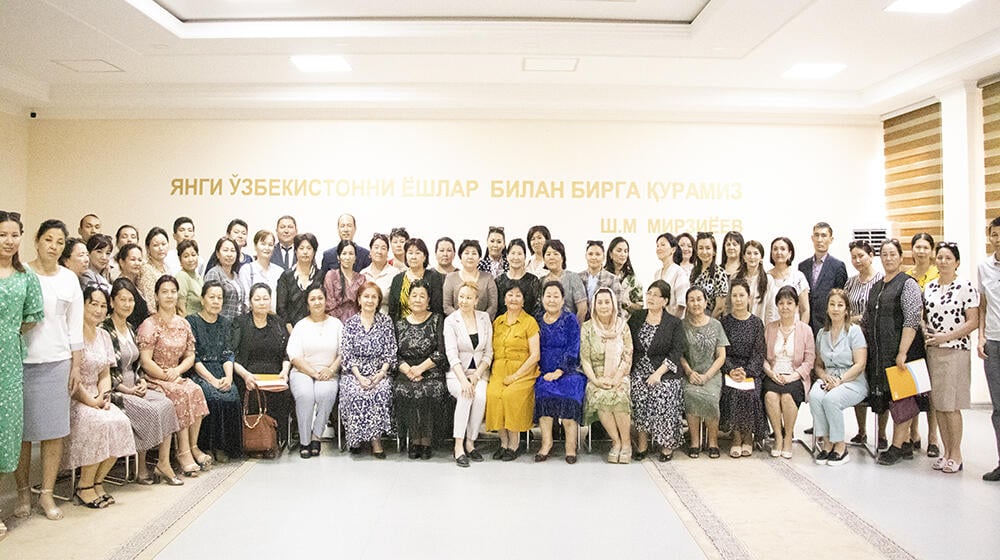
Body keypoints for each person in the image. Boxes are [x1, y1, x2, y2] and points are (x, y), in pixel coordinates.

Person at [16, 219, 83, 522]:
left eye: (59, 242)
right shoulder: (22, 273)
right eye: (48, 240)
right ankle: (22, 494)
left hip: (58, 363)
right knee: (22, 435)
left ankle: (46, 494)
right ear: (37, 241)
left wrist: (76, 366)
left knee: (53, 433)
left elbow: (74, 326)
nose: (54, 247)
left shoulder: (69, 279)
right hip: (21, 361)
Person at [102, 278, 182, 485]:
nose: (127, 304)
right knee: (148, 411)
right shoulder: (105, 330)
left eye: (131, 300)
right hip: (115, 390)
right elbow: (106, 369)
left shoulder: (130, 328)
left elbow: (136, 364)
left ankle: (163, 462)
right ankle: (141, 467)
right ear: (112, 302)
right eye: (122, 300)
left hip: (135, 385)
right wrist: (126, 389)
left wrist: (141, 382)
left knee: (166, 404)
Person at [63, 287, 137, 508]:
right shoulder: (72, 335)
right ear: (83, 305)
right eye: (93, 303)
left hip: (98, 395)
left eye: (103, 305)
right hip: (75, 396)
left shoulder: (104, 334)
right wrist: (91, 401)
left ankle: (97, 481)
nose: (98, 309)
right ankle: (84, 486)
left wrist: (103, 396)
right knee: (97, 423)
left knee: (121, 422)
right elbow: (71, 377)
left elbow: (105, 373)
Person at [137, 275, 211, 476]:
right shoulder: (149, 325)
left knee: (195, 390)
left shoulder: (183, 324)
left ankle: (193, 446)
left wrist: (177, 371)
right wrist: (166, 376)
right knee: (179, 394)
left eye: (173, 291)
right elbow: (145, 361)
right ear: (156, 296)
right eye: (164, 292)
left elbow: (190, 355)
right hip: (154, 378)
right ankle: (183, 453)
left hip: (175, 374)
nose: (169, 296)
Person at [0, 210, 43, 536]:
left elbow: (31, 317)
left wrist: (8, 333)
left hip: (10, 361)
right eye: (3, 234)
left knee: (5, 435)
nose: (9, 240)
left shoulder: (25, 276)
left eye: (15, 235)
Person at [866, 240, 925, 466]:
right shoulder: (877, 285)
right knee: (891, 398)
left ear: (901, 257)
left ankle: (897, 446)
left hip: (902, 352)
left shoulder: (907, 284)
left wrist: (902, 352)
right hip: (880, 352)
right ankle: (906, 443)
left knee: (902, 399)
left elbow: (911, 319)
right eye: (885, 254)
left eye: (893, 254)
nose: (888, 258)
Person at [923, 242, 978, 474]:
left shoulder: (965, 286)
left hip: (956, 350)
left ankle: (956, 453)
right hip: (934, 351)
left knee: (952, 405)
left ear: (957, 262)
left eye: (948, 258)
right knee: (940, 405)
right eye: (940, 258)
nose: (943, 261)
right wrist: (926, 331)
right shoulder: (930, 287)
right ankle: (946, 452)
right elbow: (924, 316)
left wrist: (947, 336)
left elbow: (973, 322)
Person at [629, 280, 687, 461]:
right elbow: (627, 342)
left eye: (656, 295)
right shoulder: (637, 317)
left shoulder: (674, 323)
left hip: (664, 370)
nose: (651, 298)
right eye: (649, 293)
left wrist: (658, 374)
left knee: (664, 392)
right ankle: (643, 442)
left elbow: (677, 351)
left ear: (665, 300)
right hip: (639, 368)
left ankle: (666, 444)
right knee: (638, 390)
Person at [810, 289, 868, 466]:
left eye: (840, 305)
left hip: (852, 380)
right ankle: (826, 443)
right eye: (832, 304)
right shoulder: (822, 333)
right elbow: (818, 365)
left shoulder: (854, 331)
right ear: (827, 308)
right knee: (815, 396)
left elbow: (860, 364)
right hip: (829, 378)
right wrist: (824, 376)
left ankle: (841, 447)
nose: (835, 309)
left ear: (847, 309)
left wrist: (840, 381)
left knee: (832, 400)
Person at [186, 281, 242, 462]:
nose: (216, 301)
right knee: (211, 397)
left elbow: (227, 353)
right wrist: (211, 380)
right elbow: (194, 358)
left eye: (220, 298)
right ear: (203, 300)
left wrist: (228, 377)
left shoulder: (225, 323)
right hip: (199, 370)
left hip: (221, 369)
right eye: (212, 297)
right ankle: (205, 446)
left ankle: (223, 447)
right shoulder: (192, 321)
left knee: (232, 394)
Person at [231, 283, 292, 450]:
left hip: (275, 376)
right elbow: (233, 355)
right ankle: (253, 442)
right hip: (247, 374)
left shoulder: (278, 322)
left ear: (270, 300)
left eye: (265, 298)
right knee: (248, 392)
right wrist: (245, 375)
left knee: (285, 393)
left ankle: (275, 440)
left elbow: (287, 353)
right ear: (250, 302)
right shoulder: (240, 323)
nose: (262, 302)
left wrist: (285, 371)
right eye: (257, 299)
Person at [340, 282, 398, 457]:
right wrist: (359, 377)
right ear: (359, 299)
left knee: (380, 392)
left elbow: (391, 351)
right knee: (355, 392)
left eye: (374, 297)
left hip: (379, 372)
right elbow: (347, 354)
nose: (370, 300)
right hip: (354, 373)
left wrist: (380, 374)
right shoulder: (350, 323)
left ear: (379, 300)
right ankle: (355, 438)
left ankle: (376, 440)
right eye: (366, 296)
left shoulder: (386, 322)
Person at [392, 280, 447, 460]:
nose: (418, 299)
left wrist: (421, 369)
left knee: (430, 390)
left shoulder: (438, 319)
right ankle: (415, 439)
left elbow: (441, 352)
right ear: (408, 300)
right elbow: (394, 354)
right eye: (414, 296)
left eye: (422, 296)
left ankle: (427, 441)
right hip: (406, 369)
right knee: (404, 391)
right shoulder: (399, 324)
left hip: (431, 368)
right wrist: (409, 370)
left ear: (428, 300)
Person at [534, 281, 587, 464]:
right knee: (543, 392)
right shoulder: (537, 319)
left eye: (556, 296)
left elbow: (574, 348)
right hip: (543, 371)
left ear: (563, 299)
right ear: (542, 299)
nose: (552, 299)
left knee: (569, 396)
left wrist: (559, 371)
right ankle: (546, 443)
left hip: (569, 371)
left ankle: (570, 447)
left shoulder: (570, 319)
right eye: (548, 295)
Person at [486, 284, 541, 461]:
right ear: (504, 299)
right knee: (494, 395)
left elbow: (535, 355)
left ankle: (514, 444)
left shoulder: (529, 322)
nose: (514, 298)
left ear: (524, 301)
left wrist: (516, 376)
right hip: (499, 369)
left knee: (511, 396)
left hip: (523, 370)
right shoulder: (498, 322)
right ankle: (503, 443)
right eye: (510, 295)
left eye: (518, 295)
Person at [288, 287, 344, 459]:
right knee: (305, 395)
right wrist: (313, 372)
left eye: (320, 298)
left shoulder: (336, 324)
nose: (317, 302)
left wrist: (332, 369)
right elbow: (294, 356)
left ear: (326, 301)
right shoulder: (301, 325)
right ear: (307, 303)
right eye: (313, 299)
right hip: (302, 371)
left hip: (329, 371)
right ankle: (304, 441)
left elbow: (344, 352)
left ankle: (316, 437)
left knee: (325, 393)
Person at [444, 282, 494, 467]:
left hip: (479, 373)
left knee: (480, 397)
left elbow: (489, 352)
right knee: (466, 395)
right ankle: (458, 446)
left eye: (468, 298)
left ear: (476, 300)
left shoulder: (484, 318)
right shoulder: (451, 320)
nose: (463, 301)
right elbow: (451, 354)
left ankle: (471, 442)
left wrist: (477, 375)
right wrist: (464, 380)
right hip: (457, 374)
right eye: (461, 297)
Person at [581, 287, 633, 463]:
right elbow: (585, 359)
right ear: (594, 305)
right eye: (599, 302)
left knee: (619, 396)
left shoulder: (623, 326)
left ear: (613, 304)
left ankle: (627, 443)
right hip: (596, 377)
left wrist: (616, 378)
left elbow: (627, 356)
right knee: (601, 396)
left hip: (620, 375)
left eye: (607, 302)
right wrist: (596, 380)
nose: (603, 306)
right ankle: (616, 442)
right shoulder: (587, 328)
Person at [763, 285, 815, 459]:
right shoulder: (769, 328)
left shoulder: (805, 330)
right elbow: (761, 357)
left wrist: (794, 376)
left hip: (795, 376)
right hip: (773, 374)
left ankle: (788, 437)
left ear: (796, 305)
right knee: (771, 396)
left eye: (789, 303)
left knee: (786, 397)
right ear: (777, 305)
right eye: (781, 303)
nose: (785, 307)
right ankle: (777, 436)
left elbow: (809, 361)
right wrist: (770, 373)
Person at [680, 286, 729, 458]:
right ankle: (694, 441)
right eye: (691, 300)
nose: (695, 303)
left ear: (706, 301)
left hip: (712, 374)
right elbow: (679, 354)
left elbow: (721, 356)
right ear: (686, 303)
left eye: (699, 299)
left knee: (711, 396)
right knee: (689, 393)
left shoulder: (716, 325)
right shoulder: (682, 325)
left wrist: (708, 375)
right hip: (690, 373)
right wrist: (689, 372)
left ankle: (713, 441)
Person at [843, 240, 884, 448]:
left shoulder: (881, 280)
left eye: (861, 255)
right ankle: (861, 430)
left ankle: (882, 433)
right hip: (854, 341)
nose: (858, 260)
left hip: (876, 340)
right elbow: (843, 309)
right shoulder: (850, 282)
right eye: (854, 257)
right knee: (857, 380)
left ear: (871, 255)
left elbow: (878, 312)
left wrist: (857, 318)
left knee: (878, 385)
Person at [720, 280, 767, 458]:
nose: (738, 299)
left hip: (751, 370)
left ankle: (748, 436)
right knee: (732, 392)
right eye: (735, 295)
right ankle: (736, 438)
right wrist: (731, 370)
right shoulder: (725, 322)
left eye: (742, 295)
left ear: (748, 298)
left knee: (751, 393)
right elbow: (722, 352)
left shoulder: (756, 323)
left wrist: (746, 372)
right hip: (730, 369)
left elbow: (758, 352)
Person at [906, 232, 941, 457]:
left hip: (934, 338)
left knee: (932, 390)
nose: (921, 251)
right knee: (914, 386)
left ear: (932, 250)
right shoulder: (907, 276)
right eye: (917, 247)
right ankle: (913, 433)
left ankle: (933, 438)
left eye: (925, 247)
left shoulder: (939, 273)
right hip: (913, 339)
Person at [798, 222, 848, 335]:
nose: (820, 239)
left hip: (828, 325)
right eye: (817, 235)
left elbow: (841, 297)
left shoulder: (838, 266)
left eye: (824, 235)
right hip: (807, 324)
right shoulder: (802, 266)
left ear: (831, 239)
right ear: (812, 238)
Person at [979, 216, 1000, 481]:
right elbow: (983, 305)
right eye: (994, 234)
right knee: (998, 408)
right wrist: (981, 336)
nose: (998, 238)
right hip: (994, 343)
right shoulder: (984, 267)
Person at [387, 238, 445, 321]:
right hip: (401, 328)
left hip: (428, 327)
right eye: (410, 253)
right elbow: (392, 310)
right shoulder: (397, 279)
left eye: (417, 253)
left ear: (424, 257)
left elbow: (437, 309)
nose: (413, 257)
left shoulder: (434, 277)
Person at [276, 233, 322, 332]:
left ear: (314, 252)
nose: (305, 252)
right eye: (301, 248)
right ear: (296, 251)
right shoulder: (286, 276)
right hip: (290, 330)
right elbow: (281, 308)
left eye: (309, 248)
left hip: (317, 329)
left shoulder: (321, 275)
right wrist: (291, 330)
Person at [443, 239, 498, 318]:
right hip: (457, 325)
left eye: (474, 253)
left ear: (479, 258)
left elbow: (493, 306)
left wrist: (479, 321)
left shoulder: (488, 278)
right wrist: (462, 320)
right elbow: (447, 306)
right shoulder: (450, 278)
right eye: (466, 253)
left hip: (482, 325)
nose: (470, 256)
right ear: (460, 257)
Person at [537, 239, 587, 324]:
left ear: (562, 257)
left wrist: (574, 329)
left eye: (556, 254)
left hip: (570, 327)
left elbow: (582, 309)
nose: (551, 257)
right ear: (544, 259)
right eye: (548, 254)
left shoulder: (573, 277)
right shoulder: (541, 281)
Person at [767, 236, 810, 323]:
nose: (779, 252)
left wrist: (801, 331)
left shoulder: (798, 277)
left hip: (794, 329)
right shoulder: (765, 277)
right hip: (770, 328)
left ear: (790, 253)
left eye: (783, 249)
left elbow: (805, 310)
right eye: (775, 249)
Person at [203, 237, 246, 321]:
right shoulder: (214, 273)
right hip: (219, 325)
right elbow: (208, 304)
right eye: (225, 250)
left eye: (233, 251)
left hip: (237, 326)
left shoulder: (235, 275)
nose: (229, 254)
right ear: (218, 254)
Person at [238, 230, 282, 312]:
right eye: (263, 244)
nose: (267, 248)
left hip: (275, 319)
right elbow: (245, 300)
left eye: (270, 245)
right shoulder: (247, 270)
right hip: (253, 319)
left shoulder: (279, 271)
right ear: (255, 246)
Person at [496, 238, 541, 317]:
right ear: (507, 256)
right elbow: (496, 309)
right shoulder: (499, 281)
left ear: (524, 257)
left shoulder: (533, 280)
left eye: (519, 254)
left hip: (528, 326)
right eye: (513, 253)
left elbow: (537, 309)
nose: (516, 257)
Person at [731, 240, 775, 321]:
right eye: (748, 253)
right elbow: (728, 305)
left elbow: (770, 309)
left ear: (761, 258)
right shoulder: (735, 277)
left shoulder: (768, 280)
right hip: (736, 325)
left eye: (756, 253)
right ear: (744, 257)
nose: (752, 257)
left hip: (759, 327)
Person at [324, 240, 366, 323]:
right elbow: (329, 305)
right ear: (338, 257)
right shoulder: (331, 276)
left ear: (355, 257)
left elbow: (363, 305)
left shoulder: (361, 279)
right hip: (335, 323)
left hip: (358, 323)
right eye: (344, 253)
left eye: (351, 254)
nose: (347, 257)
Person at [579, 240, 622, 320]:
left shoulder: (612, 279)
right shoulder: (578, 278)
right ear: (586, 256)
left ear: (603, 257)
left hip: (605, 325)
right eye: (590, 254)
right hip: (582, 324)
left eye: (598, 254)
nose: (594, 257)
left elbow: (617, 310)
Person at [690, 232, 729, 318]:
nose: (704, 252)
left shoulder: (719, 273)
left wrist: (707, 325)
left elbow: (720, 307)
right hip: (694, 320)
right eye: (700, 248)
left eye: (708, 248)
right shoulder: (694, 271)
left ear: (714, 251)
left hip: (712, 321)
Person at [320, 213, 372, 278]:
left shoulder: (365, 255)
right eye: (342, 226)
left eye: (349, 226)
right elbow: (322, 281)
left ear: (355, 228)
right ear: (338, 229)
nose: (346, 230)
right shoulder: (328, 255)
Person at [652, 232, 689, 318]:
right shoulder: (657, 274)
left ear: (673, 250)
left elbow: (681, 305)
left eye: (663, 245)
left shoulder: (679, 273)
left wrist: (671, 325)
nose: (659, 248)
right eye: (657, 246)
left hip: (674, 323)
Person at [114, 244, 150, 329]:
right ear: (122, 262)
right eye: (133, 260)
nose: (137, 263)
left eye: (140, 260)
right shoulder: (121, 285)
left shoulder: (138, 283)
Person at [606, 236, 642, 317]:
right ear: (610, 254)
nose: (623, 254)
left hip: (626, 325)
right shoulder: (602, 276)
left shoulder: (632, 279)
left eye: (625, 251)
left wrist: (627, 303)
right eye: (619, 250)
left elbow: (640, 306)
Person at [361, 233, 394, 314]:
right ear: (370, 251)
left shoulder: (395, 274)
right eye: (376, 247)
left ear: (387, 252)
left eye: (383, 248)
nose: (379, 251)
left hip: (387, 320)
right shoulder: (363, 274)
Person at [138, 227, 170, 310]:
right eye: (156, 245)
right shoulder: (146, 270)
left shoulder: (166, 267)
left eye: (163, 244)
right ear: (148, 248)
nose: (161, 248)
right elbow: (150, 304)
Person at [174, 239, 204, 316]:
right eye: (186, 256)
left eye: (193, 255)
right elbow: (181, 309)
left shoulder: (198, 277)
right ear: (180, 260)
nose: (191, 259)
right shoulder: (182, 276)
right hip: (189, 323)